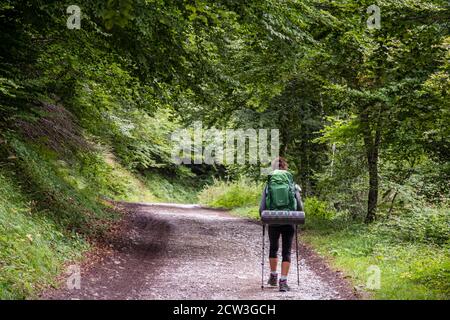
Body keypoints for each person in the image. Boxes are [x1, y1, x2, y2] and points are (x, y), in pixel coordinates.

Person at [259, 157, 303, 292]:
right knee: (287, 251)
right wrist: (298, 216)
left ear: (274, 169)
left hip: (273, 219)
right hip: (289, 219)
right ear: (285, 168)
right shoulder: (292, 184)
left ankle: (273, 276)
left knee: (273, 248)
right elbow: (299, 205)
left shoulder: (269, 185)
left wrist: (264, 216)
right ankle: (283, 282)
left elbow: (262, 206)